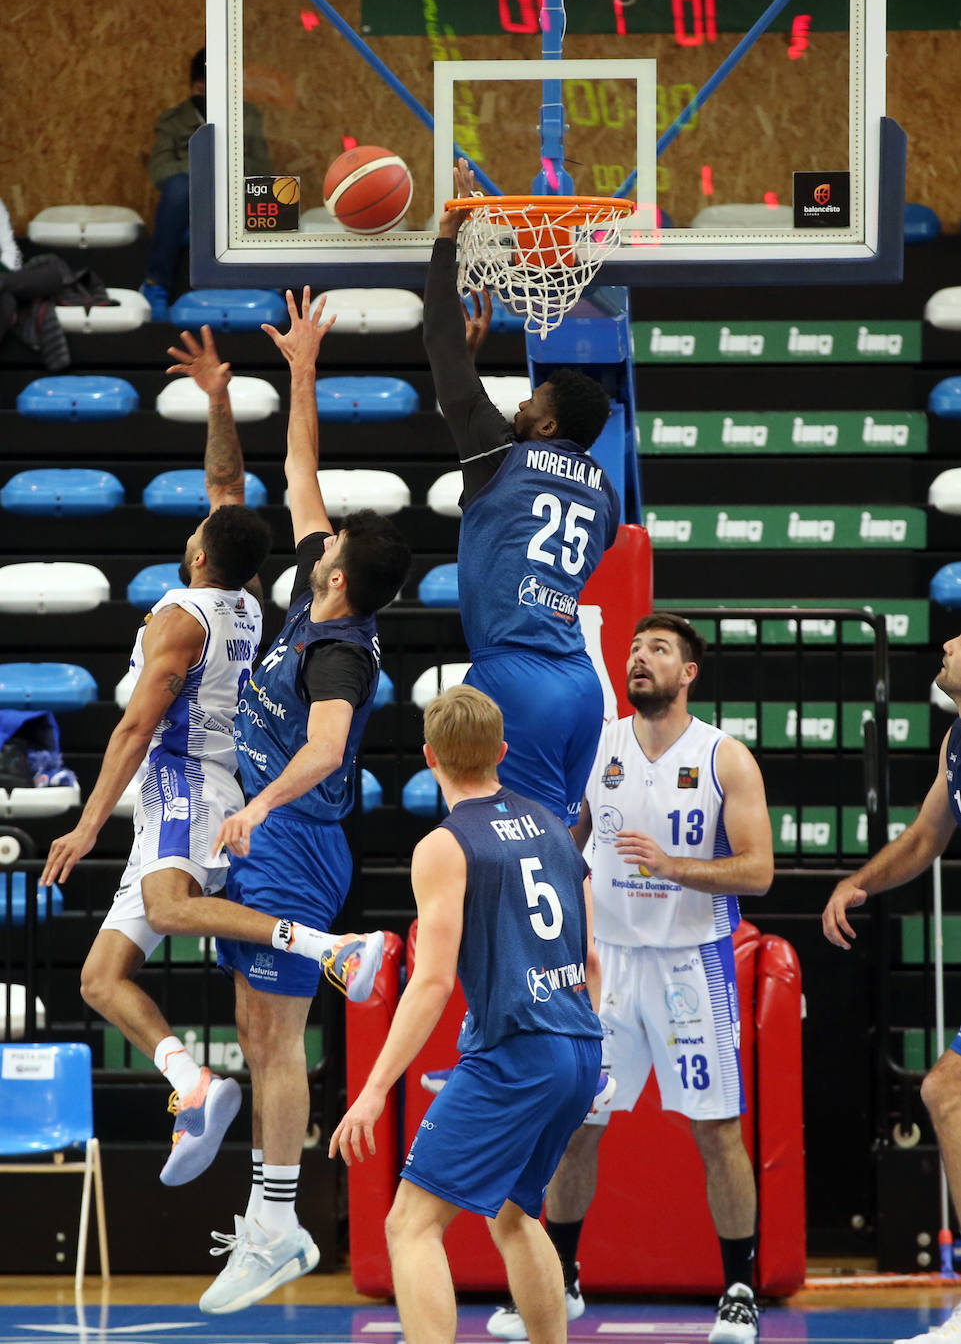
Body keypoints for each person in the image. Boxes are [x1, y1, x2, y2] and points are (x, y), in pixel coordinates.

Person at [40, 324, 380, 1191]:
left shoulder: (182, 617)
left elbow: (131, 732)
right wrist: (220, 397)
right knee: (99, 977)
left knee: (173, 908)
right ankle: (191, 1079)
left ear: (195, 553)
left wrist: (84, 826)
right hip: (174, 792)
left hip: (190, 781)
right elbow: (228, 485)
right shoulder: (247, 599)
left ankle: (324, 946)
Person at [198, 288, 412, 1315]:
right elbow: (299, 470)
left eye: (326, 544)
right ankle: (270, 1213)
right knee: (255, 1027)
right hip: (273, 834)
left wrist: (253, 806)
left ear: (335, 581)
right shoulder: (318, 591)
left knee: (275, 1037)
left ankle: (279, 1223)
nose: (314, 536)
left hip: (295, 837)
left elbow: (328, 751)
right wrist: (302, 369)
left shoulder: (335, 652)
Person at [487, 613, 774, 1344]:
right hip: (603, 963)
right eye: (634, 648)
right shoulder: (598, 744)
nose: (639, 659)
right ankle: (560, 1279)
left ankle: (738, 1286)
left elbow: (758, 871)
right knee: (575, 1124)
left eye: (658, 651)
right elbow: (567, 839)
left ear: (689, 674)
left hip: (689, 964)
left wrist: (673, 866)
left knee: (716, 1130)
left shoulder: (724, 757)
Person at [330, 684, 603, 1344]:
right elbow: (592, 960)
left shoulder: (445, 845)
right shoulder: (554, 828)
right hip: (578, 1046)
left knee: (410, 1223)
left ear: (429, 757)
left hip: (516, 1051)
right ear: (501, 751)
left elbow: (430, 982)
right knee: (516, 1213)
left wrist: (371, 1090)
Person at [423, 158, 620, 828]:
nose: (517, 404)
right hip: (578, 682)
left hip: (515, 677)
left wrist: (447, 235)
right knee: (565, 835)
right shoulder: (604, 494)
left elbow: (440, 346)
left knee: (495, 838)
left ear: (547, 424)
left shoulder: (500, 453)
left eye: (528, 400)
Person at [823, 630, 961, 1344]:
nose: (944, 643)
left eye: (959, 639)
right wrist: (857, 883)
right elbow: (921, 840)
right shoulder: (956, 742)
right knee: (945, 1090)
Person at [141, 48, 271, 318]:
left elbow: (261, 167)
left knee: (268, 189)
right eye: (200, 86)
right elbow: (160, 169)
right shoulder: (173, 121)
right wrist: (202, 167)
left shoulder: (247, 116)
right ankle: (156, 284)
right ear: (193, 86)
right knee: (176, 187)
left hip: (235, 200)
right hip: (188, 203)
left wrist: (225, 167)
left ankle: (270, 282)